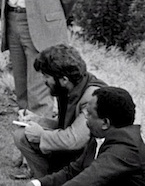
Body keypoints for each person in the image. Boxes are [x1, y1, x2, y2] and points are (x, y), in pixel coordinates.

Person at [12, 45, 105, 180]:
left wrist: (41, 135)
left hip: (89, 163)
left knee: (28, 136)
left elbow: (75, 139)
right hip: (76, 155)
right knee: (22, 135)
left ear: (64, 79)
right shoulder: (68, 87)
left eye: (46, 76)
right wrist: (38, 120)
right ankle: (49, 180)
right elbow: (67, 125)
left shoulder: (92, 96)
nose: (44, 81)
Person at [35, 86, 145, 186]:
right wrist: (38, 183)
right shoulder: (99, 137)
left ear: (105, 123)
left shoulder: (125, 148)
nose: (85, 118)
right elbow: (73, 172)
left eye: (90, 114)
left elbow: (86, 181)